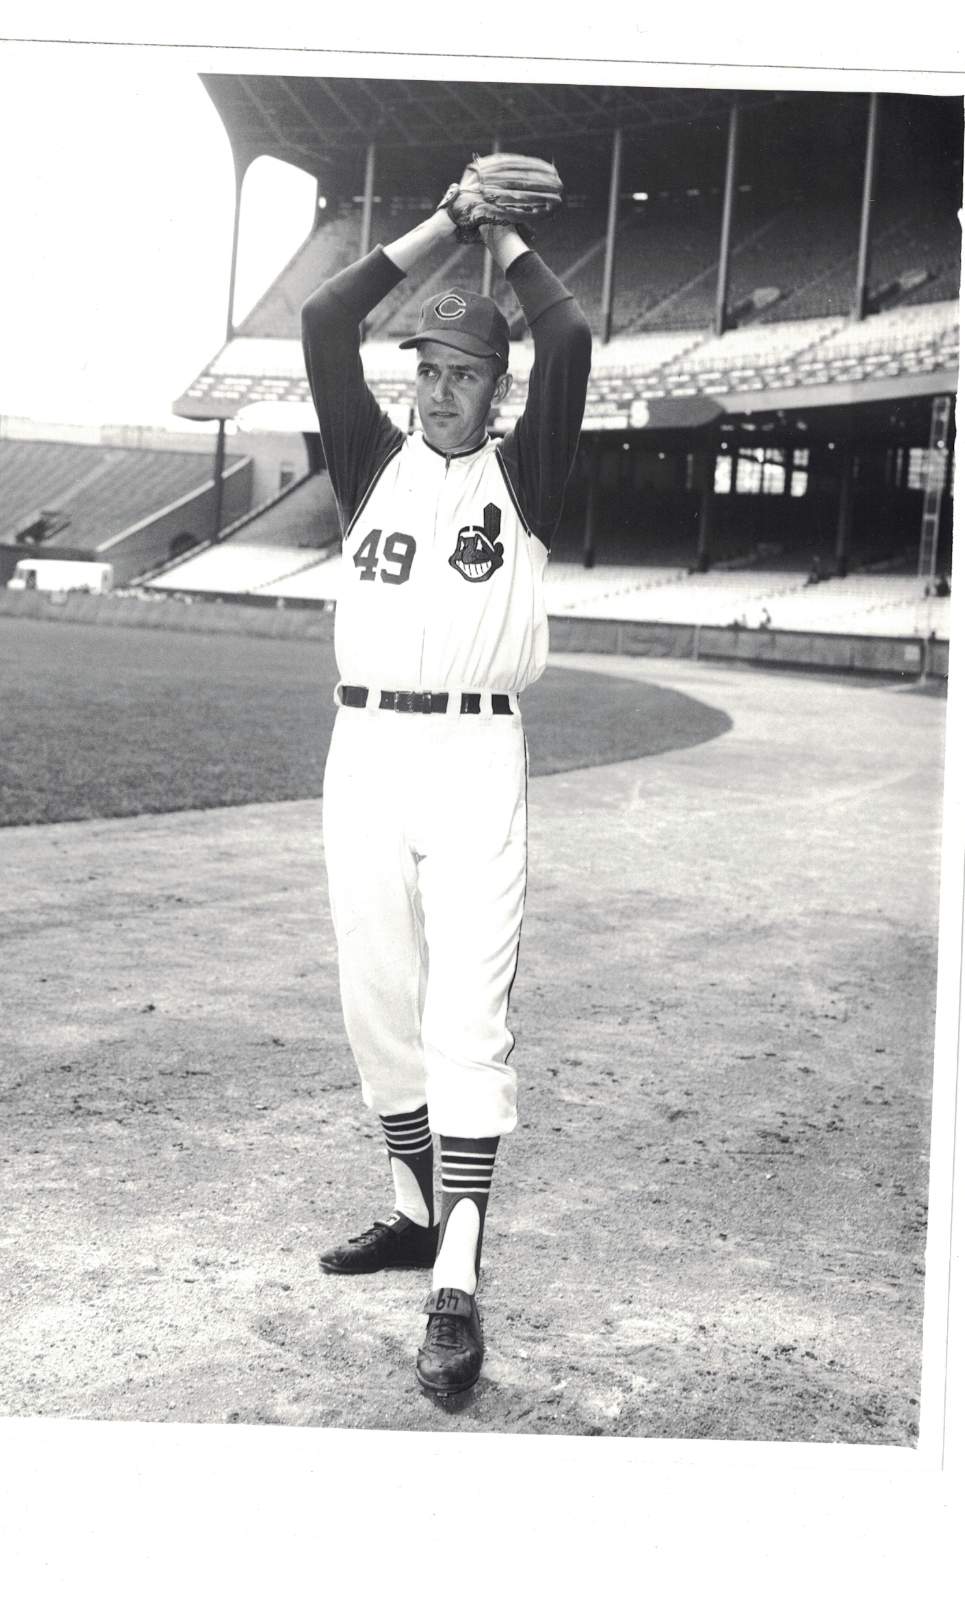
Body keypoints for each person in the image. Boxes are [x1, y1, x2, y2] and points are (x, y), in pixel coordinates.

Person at [300, 185, 591, 1397]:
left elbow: (568, 339)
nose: (439, 387)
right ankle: (417, 1207)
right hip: (362, 755)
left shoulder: (526, 482)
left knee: (462, 1018)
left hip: (475, 761)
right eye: (426, 364)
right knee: (379, 1007)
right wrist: (442, 217)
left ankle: (456, 1278)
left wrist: (504, 241)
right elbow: (325, 319)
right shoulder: (370, 461)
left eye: (465, 371)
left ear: (496, 386)